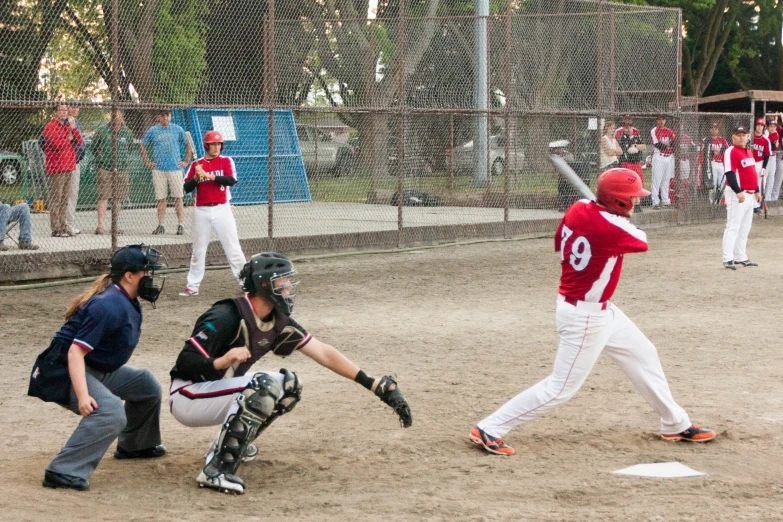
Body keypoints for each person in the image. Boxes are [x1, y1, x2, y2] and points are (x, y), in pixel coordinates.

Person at [469, 168, 716, 456]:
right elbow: (642, 240)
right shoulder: (610, 228)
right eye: (632, 198)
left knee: (644, 354)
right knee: (560, 389)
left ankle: (674, 422)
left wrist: (607, 216)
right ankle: (489, 428)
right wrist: (612, 220)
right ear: (618, 202)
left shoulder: (579, 208)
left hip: (599, 309)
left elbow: (560, 240)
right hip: (585, 317)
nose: (636, 202)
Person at [168, 253, 412, 494]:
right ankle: (216, 470)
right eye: (281, 281)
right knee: (264, 386)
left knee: (289, 385)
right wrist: (223, 360)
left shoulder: (277, 320)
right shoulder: (226, 315)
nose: (288, 287)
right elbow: (185, 362)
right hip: (188, 395)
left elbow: (323, 353)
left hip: (214, 394)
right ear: (264, 285)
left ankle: (225, 449)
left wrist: (372, 383)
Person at [28, 245, 167, 491]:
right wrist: (83, 396)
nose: (152, 278)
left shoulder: (127, 299)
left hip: (92, 367)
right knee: (110, 412)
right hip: (61, 371)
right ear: (129, 276)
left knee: (145, 384)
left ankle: (136, 444)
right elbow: (74, 352)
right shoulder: (109, 304)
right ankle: (63, 471)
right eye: (147, 272)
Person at [179, 131, 246, 297]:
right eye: (213, 144)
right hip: (201, 211)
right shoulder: (196, 164)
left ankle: (247, 283)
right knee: (198, 250)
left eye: (218, 144)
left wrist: (209, 176)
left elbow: (231, 180)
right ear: (206, 145)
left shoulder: (226, 161)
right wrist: (196, 177)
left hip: (222, 209)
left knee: (233, 248)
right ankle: (192, 286)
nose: (216, 147)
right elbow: (185, 188)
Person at [140, 109, 191, 235]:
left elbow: (187, 144)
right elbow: (142, 145)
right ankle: (161, 224)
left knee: (178, 197)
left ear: (170, 116)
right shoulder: (153, 130)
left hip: (175, 168)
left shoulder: (177, 129)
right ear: (158, 117)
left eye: (167, 115)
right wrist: (147, 161)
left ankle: (180, 224)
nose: (165, 118)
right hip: (159, 169)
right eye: (162, 116)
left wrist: (186, 161)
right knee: (161, 198)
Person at [721, 127, 761, 270]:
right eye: (738, 135)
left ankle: (741, 256)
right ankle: (727, 258)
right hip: (737, 194)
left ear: (747, 137)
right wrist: (737, 191)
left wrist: (757, 190)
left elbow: (753, 173)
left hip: (750, 195)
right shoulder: (731, 151)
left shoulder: (748, 152)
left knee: (745, 227)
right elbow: (729, 173)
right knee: (733, 226)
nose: (741, 137)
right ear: (733, 137)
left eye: (744, 135)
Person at [91, 110, 135, 235]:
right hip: (105, 168)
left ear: (122, 117)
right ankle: (100, 226)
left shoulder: (127, 132)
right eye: (113, 115)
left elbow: (130, 147)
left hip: (121, 169)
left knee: (117, 199)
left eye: (118, 115)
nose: (115, 118)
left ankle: (114, 225)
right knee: (103, 197)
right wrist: (101, 159)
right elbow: (94, 147)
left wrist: (122, 159)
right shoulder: (101, 130)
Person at [42, 103, 83, 237]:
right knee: (57, 198)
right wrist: (68, 137)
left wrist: (72, 129)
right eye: (61, 110)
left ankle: (64, 225)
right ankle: (56, 228)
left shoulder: (68, 126)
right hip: (57, 167)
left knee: (65, 198)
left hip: (69, 165)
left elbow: (79, 141)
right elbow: (56, 144)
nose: (64, 112)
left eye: (66, 110)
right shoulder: (50, 126)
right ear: (55, 112)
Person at [65, 103, 85, 236]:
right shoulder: (64, 122)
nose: (75, 109)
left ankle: (69, 223)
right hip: (66, 162)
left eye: (77, 106)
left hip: (75, 162)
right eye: (72, 106)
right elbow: (43, 141)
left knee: (73, 193)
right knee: (67, 194)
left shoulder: (76, 122)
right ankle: (65, 224)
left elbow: (79, 141)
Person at [617, 118, 646, 211]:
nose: (629, 129)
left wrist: (636, 146)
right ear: (624, 129)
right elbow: (623, 151)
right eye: (626, 127)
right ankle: (628, 203)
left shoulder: (637, 137)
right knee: (628, 184)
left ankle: (637, 204)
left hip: (636, 164)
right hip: (627, 163)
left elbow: (644, 147)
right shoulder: (622, 138)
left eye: (630, 127)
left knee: (639, 183)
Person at [649, 115, 675, 208]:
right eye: (659, 119)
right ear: (657, 120)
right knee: (657, 180)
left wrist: (667, 145)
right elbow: (658, 145)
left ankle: (666, 201)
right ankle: (655, 202)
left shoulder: (669, 131)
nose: (661, 121)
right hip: (659, 157)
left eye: (663, 119)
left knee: (666, 180)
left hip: (669, 157)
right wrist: (668, 145)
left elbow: (674, 143)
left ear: (665, 120)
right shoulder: (654, 130)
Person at [750, 118, 771, 213]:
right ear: (755, 126)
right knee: (750, 183)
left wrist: (764, 167)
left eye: (761, 125)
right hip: (750, 162)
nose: (759, 127)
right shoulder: (750, 137)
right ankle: (750, 204)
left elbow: (767, 154)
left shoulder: (765, 140)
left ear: (763, 127)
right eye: (758, 125)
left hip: (759, 162)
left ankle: (756, 205)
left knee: (758, 184)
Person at [707, 123, 729, 197]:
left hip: (721, 164)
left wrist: (715, 150)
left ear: (718, 130)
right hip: (712, 164)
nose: (714, 130)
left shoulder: (722, 139)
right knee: (713, 184)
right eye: (712, 128)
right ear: (710, 130)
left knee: (722, 184)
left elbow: (726, 150)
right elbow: (707, 151)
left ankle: (720, 202)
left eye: (715, 129)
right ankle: (712, 204)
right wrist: (719, 150)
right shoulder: (708, 140)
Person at [764, 118, 779, 202]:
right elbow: (770, 146)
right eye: (771, 126)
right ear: (767, 127)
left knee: (771, 177)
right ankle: (763, 198)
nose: (772, 128)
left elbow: (775, 146)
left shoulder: (776, 133)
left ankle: (768, 198)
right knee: (765, 177)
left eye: (774, 126)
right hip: (766, 157)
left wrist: (773, 145)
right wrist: (773, 145)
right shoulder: (766, 134)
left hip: (773, 157)